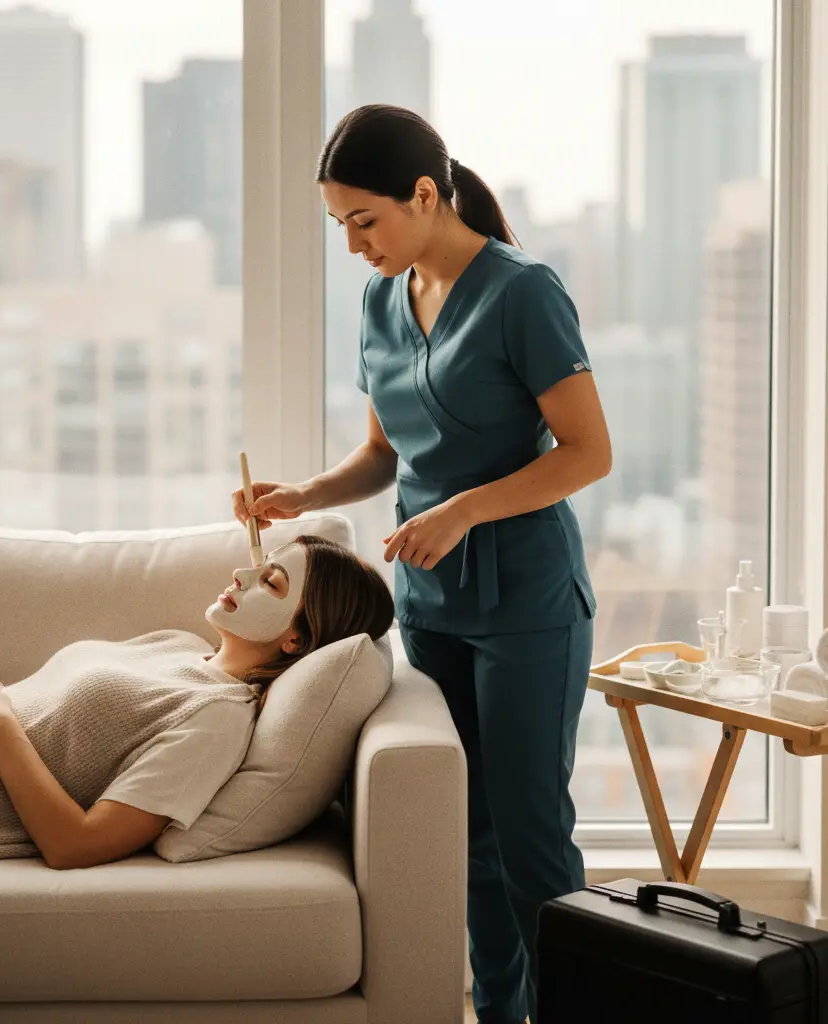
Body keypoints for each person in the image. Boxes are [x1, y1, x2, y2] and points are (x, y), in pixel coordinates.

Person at [232, 105, 612, 1024]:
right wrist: (305, 494)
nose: (353, 245)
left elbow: (588, 453)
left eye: (365, 220)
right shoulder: (381, 301)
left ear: (425, 195)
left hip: (527, 602)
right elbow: (383, 454)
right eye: (340, 225)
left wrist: (465, 509)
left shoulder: (523, 292)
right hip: (432, 604)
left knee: (532, 839)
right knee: (469, 837)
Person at [0, 535, 394, 883]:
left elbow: (77, 845)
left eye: (273, 582)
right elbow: (52, 718)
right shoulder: (177, 646)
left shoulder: (217, 720)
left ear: (296, 639)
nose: (242, 574)